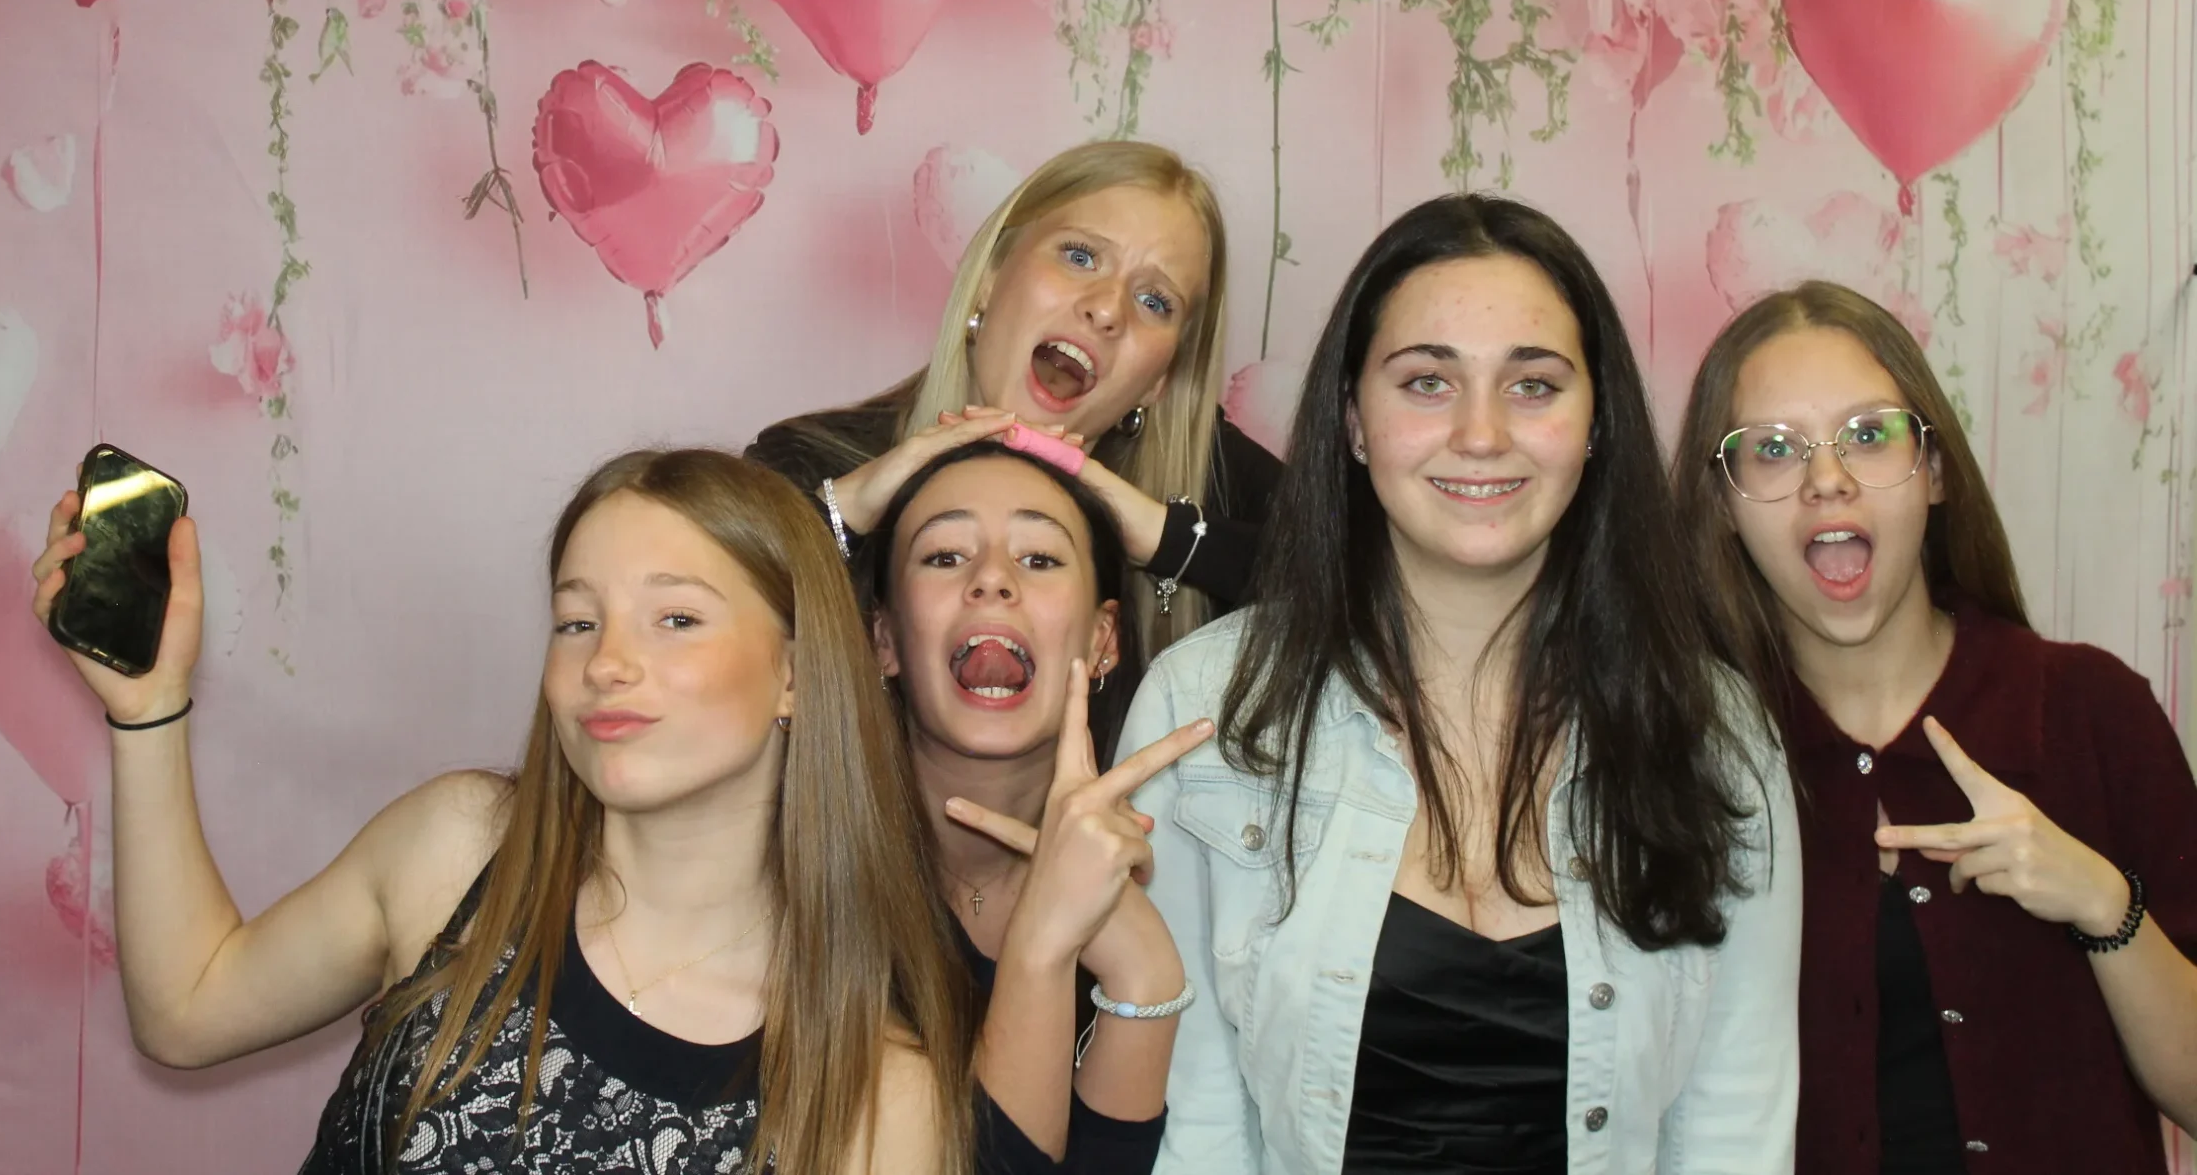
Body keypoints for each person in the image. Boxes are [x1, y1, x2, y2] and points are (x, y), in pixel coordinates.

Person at [30, 449, 971, 1175]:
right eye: (577, 620)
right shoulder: (457, 849)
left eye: (676, 618)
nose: (608, 661)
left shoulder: (881, 1099)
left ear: (797, 673)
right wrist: (148, 709)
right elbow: (187, 1009)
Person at [1124, 193, 1800, 1174]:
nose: (1481, 433)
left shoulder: (1714, 734)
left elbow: (1734, 1126)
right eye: (1427, 382)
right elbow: (1196, 1126)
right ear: (1354, 421)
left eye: (1532, 385)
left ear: (1595, 424)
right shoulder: (1202, 712)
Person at [1671, 279, 2197, 1173]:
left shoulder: (2089, 709)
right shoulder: (1690, 757)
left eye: (1869, 433)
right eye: (1774, 449)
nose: (1827, 478)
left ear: (1937, 469)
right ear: (1721, 503)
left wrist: (2104, 903)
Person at [748, 141, 1282, 700]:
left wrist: (1156, 534)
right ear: (990, 277)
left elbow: (1345, 586)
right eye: (1080, 257)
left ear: (1159, 379)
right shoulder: (810, 461)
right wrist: (847, 513)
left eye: (1154, 301)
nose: (1106, 309)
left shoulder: (1210, 483)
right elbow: (716, 614)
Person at [859, 440, 1216, 1174]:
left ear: (1103, 640)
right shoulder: (796, 857)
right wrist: (1045, 945)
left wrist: (1146, 980)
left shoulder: (1173, 880)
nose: (992, 578)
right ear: (885, 639)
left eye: (1041, 558)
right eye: (945, 556)